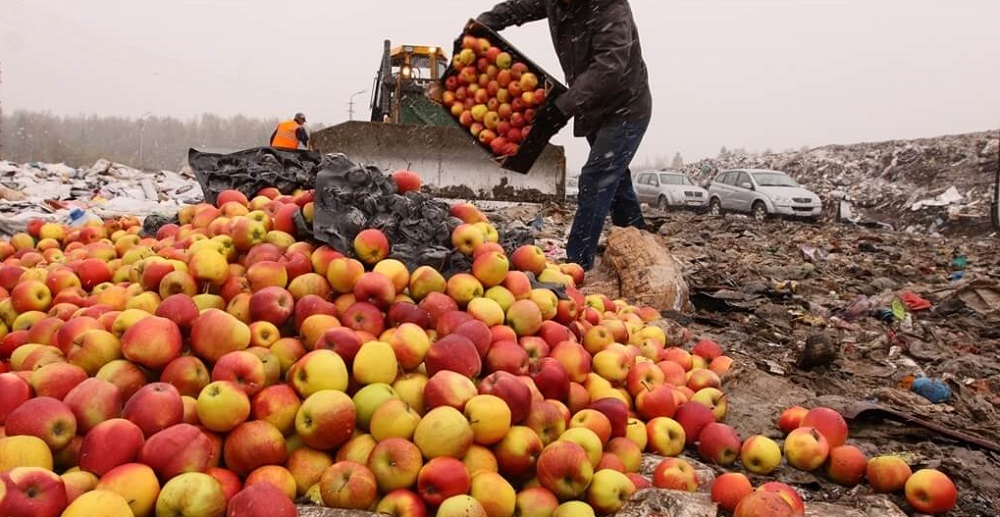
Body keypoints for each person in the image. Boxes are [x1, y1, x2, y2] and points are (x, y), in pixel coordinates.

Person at [476, 0, 652, 270]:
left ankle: (576, 265)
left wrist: (562, 108)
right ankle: (643, 248)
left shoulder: (611, 9)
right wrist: (488, 21)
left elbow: (609, 67)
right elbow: (519, 8)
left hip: (626, 109)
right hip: (594, 108)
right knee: (614, 180)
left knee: (597, 178)